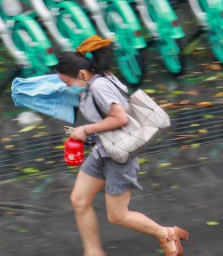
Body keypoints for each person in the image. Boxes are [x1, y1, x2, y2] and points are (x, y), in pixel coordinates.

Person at [55, 35, 189, 256]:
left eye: (67, 83)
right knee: (79, 200)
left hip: (118, 156)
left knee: (117, 216)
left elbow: (120, 118)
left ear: (81, 74)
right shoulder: (96, 79)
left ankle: (165, 233)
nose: (66, 87)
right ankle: (93, 252)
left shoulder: (98, 86)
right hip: (101, 151)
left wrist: (86, 130)